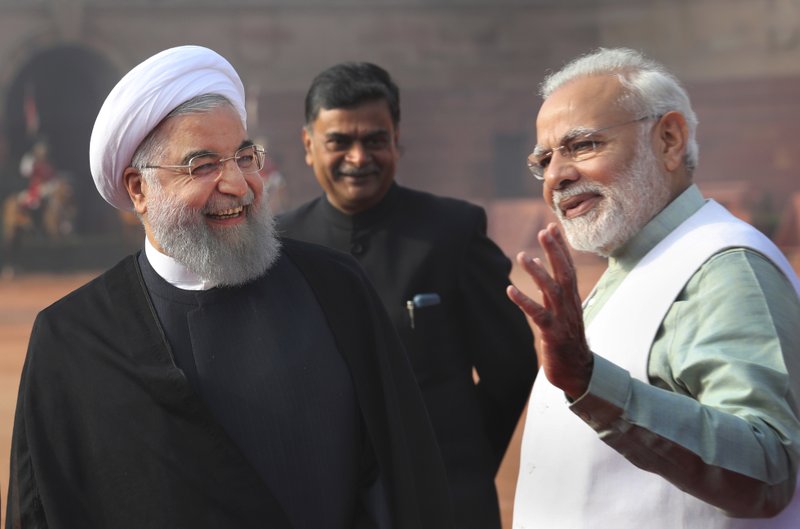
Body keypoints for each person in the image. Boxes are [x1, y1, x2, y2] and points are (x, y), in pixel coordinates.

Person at [5, 45, 454, 529]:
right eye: (202, 165)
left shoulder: (335, 290)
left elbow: (404, 480)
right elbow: (44, 510)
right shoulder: (72, 339)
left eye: (244, 155)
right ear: (138, 189)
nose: (239, 184)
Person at [508, 47, 800, 528]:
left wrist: (589, 381)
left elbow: (766, 469)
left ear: (668, 139)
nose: (557, 175)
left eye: (581, 145)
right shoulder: (640, 263)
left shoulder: (724, 267)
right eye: (545, 159)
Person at [278, 62, 536, 529]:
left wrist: (460, 461)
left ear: (398, 139)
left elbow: (513, 368)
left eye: (375, 139)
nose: (358, 158)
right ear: (308, 146)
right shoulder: (278, 246)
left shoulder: (451, 233)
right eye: (339, 141)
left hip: (442, 503)